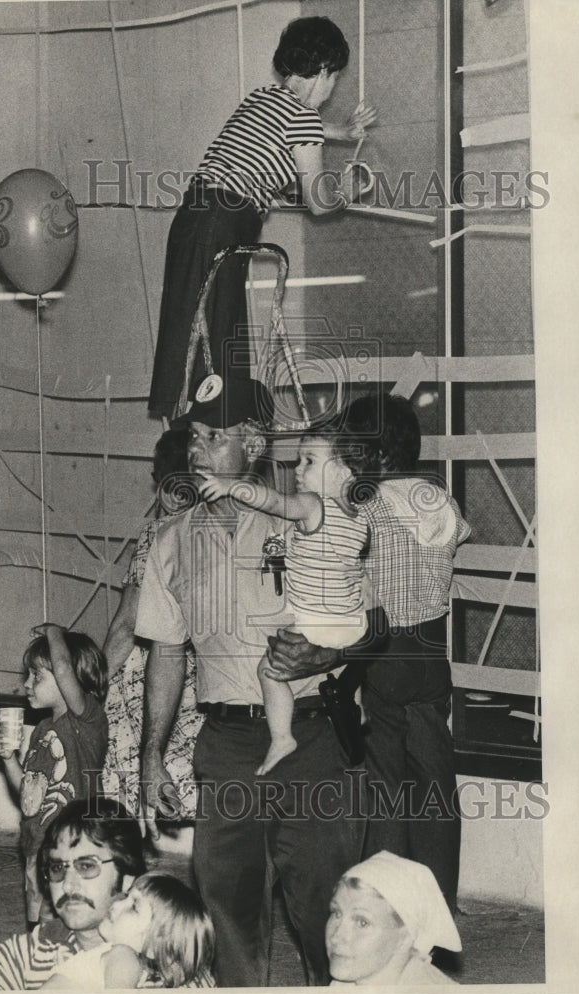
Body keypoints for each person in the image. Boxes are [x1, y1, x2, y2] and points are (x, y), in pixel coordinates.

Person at [135, 374, 368, 987]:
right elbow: (166, 652)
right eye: (195, 437)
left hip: (312, 739)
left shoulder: (309, 523)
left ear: (256, 445)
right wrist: (151, 756)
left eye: (215, 437)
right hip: (229, 746)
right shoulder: (170, 541)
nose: (196, 449)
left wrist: (317, 659)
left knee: (328, 910)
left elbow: (377, 626)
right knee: (227, 913)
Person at [148, 15, 378, 418]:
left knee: (192, 346)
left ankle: (195, 440)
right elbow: (319, 201)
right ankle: (208, 442)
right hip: (222, 226)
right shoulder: (302, 118)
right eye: (334, 78)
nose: (332, 88)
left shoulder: (262, 99)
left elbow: (282, 153)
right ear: (323, 71)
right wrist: (346, 190)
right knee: (213, 353)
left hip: (195, 221)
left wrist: (341, 133)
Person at [341, 392, 471, 910]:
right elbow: (461, 534)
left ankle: (388, 904)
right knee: (435, 782)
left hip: (384, 650)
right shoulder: (437, 497)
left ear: (370, 452)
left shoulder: (362, 502)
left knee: (385, 785)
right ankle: (439, 901)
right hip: (432, 653)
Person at [198, 429, 368, 775]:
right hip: (351, 622)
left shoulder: (313, 505)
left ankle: (281, 736)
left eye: (309, 461)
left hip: (317, 620)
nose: (298, 471)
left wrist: (234, 488)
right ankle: (356, 706)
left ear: (345, 473)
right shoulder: (360, 518)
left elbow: (274, 501)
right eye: (297, 461)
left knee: (270, 669)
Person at [101, 429, 203, 821]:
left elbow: (126, 625)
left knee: (124, 785)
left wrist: (90, 687)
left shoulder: (157, 536)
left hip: (153, 673)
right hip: (204, 677)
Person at [0, 625, 108, 928]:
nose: (27, 684)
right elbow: (29, 796)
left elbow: (64, 667)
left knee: (74, 906)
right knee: (36, 900)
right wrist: (9, 760)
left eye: (37, 676)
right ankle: (38, 951)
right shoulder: (43, 730)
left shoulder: (87, 720)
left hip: (77, 841)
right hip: (37, 838)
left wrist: (55, 632)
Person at [0, 797, 146, 990]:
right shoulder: (34, 952)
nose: (68, 885)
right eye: (57, 868)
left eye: (86, 866)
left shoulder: (165, 957)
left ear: (128, 878)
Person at [41, 873, 216, 990]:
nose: (117, 904)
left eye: (133, 907)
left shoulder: (124, 957)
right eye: (126, 896)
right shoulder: (115, 955)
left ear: (154, 946)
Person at [325, 850, 461, 987]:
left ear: (406, 938)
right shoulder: (345, 984)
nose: (336, 937)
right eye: (337, 913)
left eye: (362, 923)